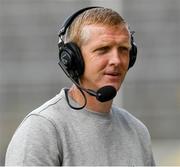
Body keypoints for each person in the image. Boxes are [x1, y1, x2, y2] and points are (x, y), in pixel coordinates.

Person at [5, 7, 155, 166]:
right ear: (73, 59)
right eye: (103, 50)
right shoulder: (43, 128)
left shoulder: (137, 131)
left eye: (123, 50)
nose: (116, 60)